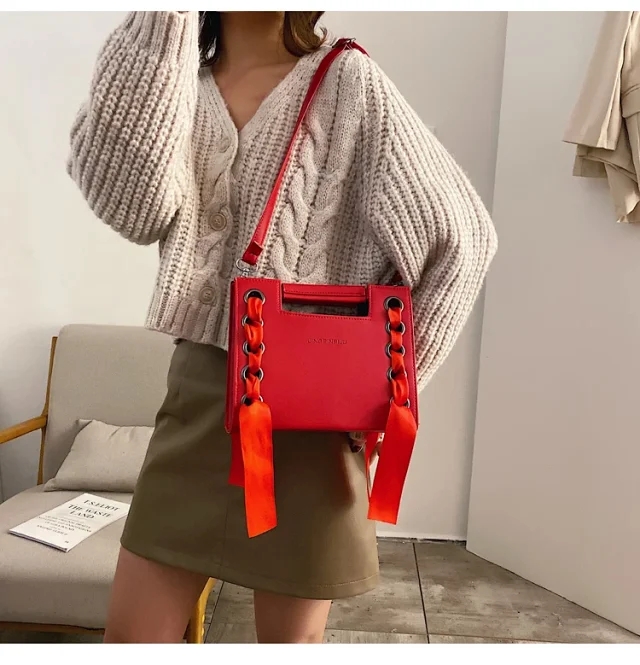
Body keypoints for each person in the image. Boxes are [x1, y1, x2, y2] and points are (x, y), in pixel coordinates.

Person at [67, 10, 497, 644]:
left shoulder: (348, 81)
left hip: (310, 419)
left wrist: (385, 394)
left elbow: (465, 242)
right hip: (199, 400)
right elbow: (131, 209)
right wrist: (164, 19)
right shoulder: (175, 87)